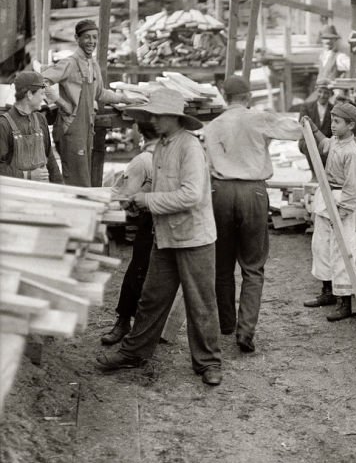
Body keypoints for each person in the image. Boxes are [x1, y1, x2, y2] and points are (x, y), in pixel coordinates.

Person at [96, 89, 222, 386]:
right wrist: (135, 198)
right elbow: (161, 188)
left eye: (156, 115)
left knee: (201, 304)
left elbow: (191, 195)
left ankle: (208, 362)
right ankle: (134, 352)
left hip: (194, 238)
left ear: (173, 118)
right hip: (166, 235)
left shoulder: (189, 147)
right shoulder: (163, 146)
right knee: (151, 299)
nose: (151, 120)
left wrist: (148, 201)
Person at [203, 76, 302, 353]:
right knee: (253, 266)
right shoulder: (258, 118)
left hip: (220, 192)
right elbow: (296, 131)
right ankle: (245, 331)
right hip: (252, 193)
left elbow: (207, 162)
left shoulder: (213, 126)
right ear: (248, 96)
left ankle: (226, 323)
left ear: (225, 97)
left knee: (222, 264)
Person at [42, 19, 141, 187]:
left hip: (87, 129)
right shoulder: (69, 63)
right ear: (77, 38)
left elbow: (100, 93)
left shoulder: (93, 65)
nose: (92, 42)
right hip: (71, 129)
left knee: (83, 178)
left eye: (95, 37)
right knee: (76, 180)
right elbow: (41, 80)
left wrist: (126, 99)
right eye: (87, 37)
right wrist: (61, 103)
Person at [302, 102, 356, 319]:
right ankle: (327, 291)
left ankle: (345, 302)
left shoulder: (352, 153)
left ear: (351, 125)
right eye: (332, 120)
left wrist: (342, 211)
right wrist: (313, 128)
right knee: (321, 246)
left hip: (340, 201)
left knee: (341, 251)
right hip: (325, 196)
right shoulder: (336, 142)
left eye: (337, 122)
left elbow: (352, 186)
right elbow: (325, 143)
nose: (333, 125)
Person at [100, 121, 159, 346]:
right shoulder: (159, 157)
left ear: (142, 136)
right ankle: (125, 322)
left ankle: (132, 324)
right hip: (159, 220)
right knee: (140, 270)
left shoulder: (143, 160)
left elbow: (123, 196)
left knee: (140, 272)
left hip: (158, 219)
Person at [0, 72, 62, 183]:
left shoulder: (41, 119)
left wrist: (60, 188)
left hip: (42, 193)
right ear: (29, 94)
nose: (44, 99)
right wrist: (27, 175)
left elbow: (49, 158)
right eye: (42, 94)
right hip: (17, 196)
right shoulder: (4, 125)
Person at [298, 77, 334, 179]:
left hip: (325, 141)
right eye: (320, 92)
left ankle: (325, 175)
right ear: (316, 91)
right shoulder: (306, 106)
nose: (322, 95)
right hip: (308, 140)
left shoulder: (334, 109)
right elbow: (303, 126)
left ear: (331, 94)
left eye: (326, 93)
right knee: (309, 143)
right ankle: (314, 175)